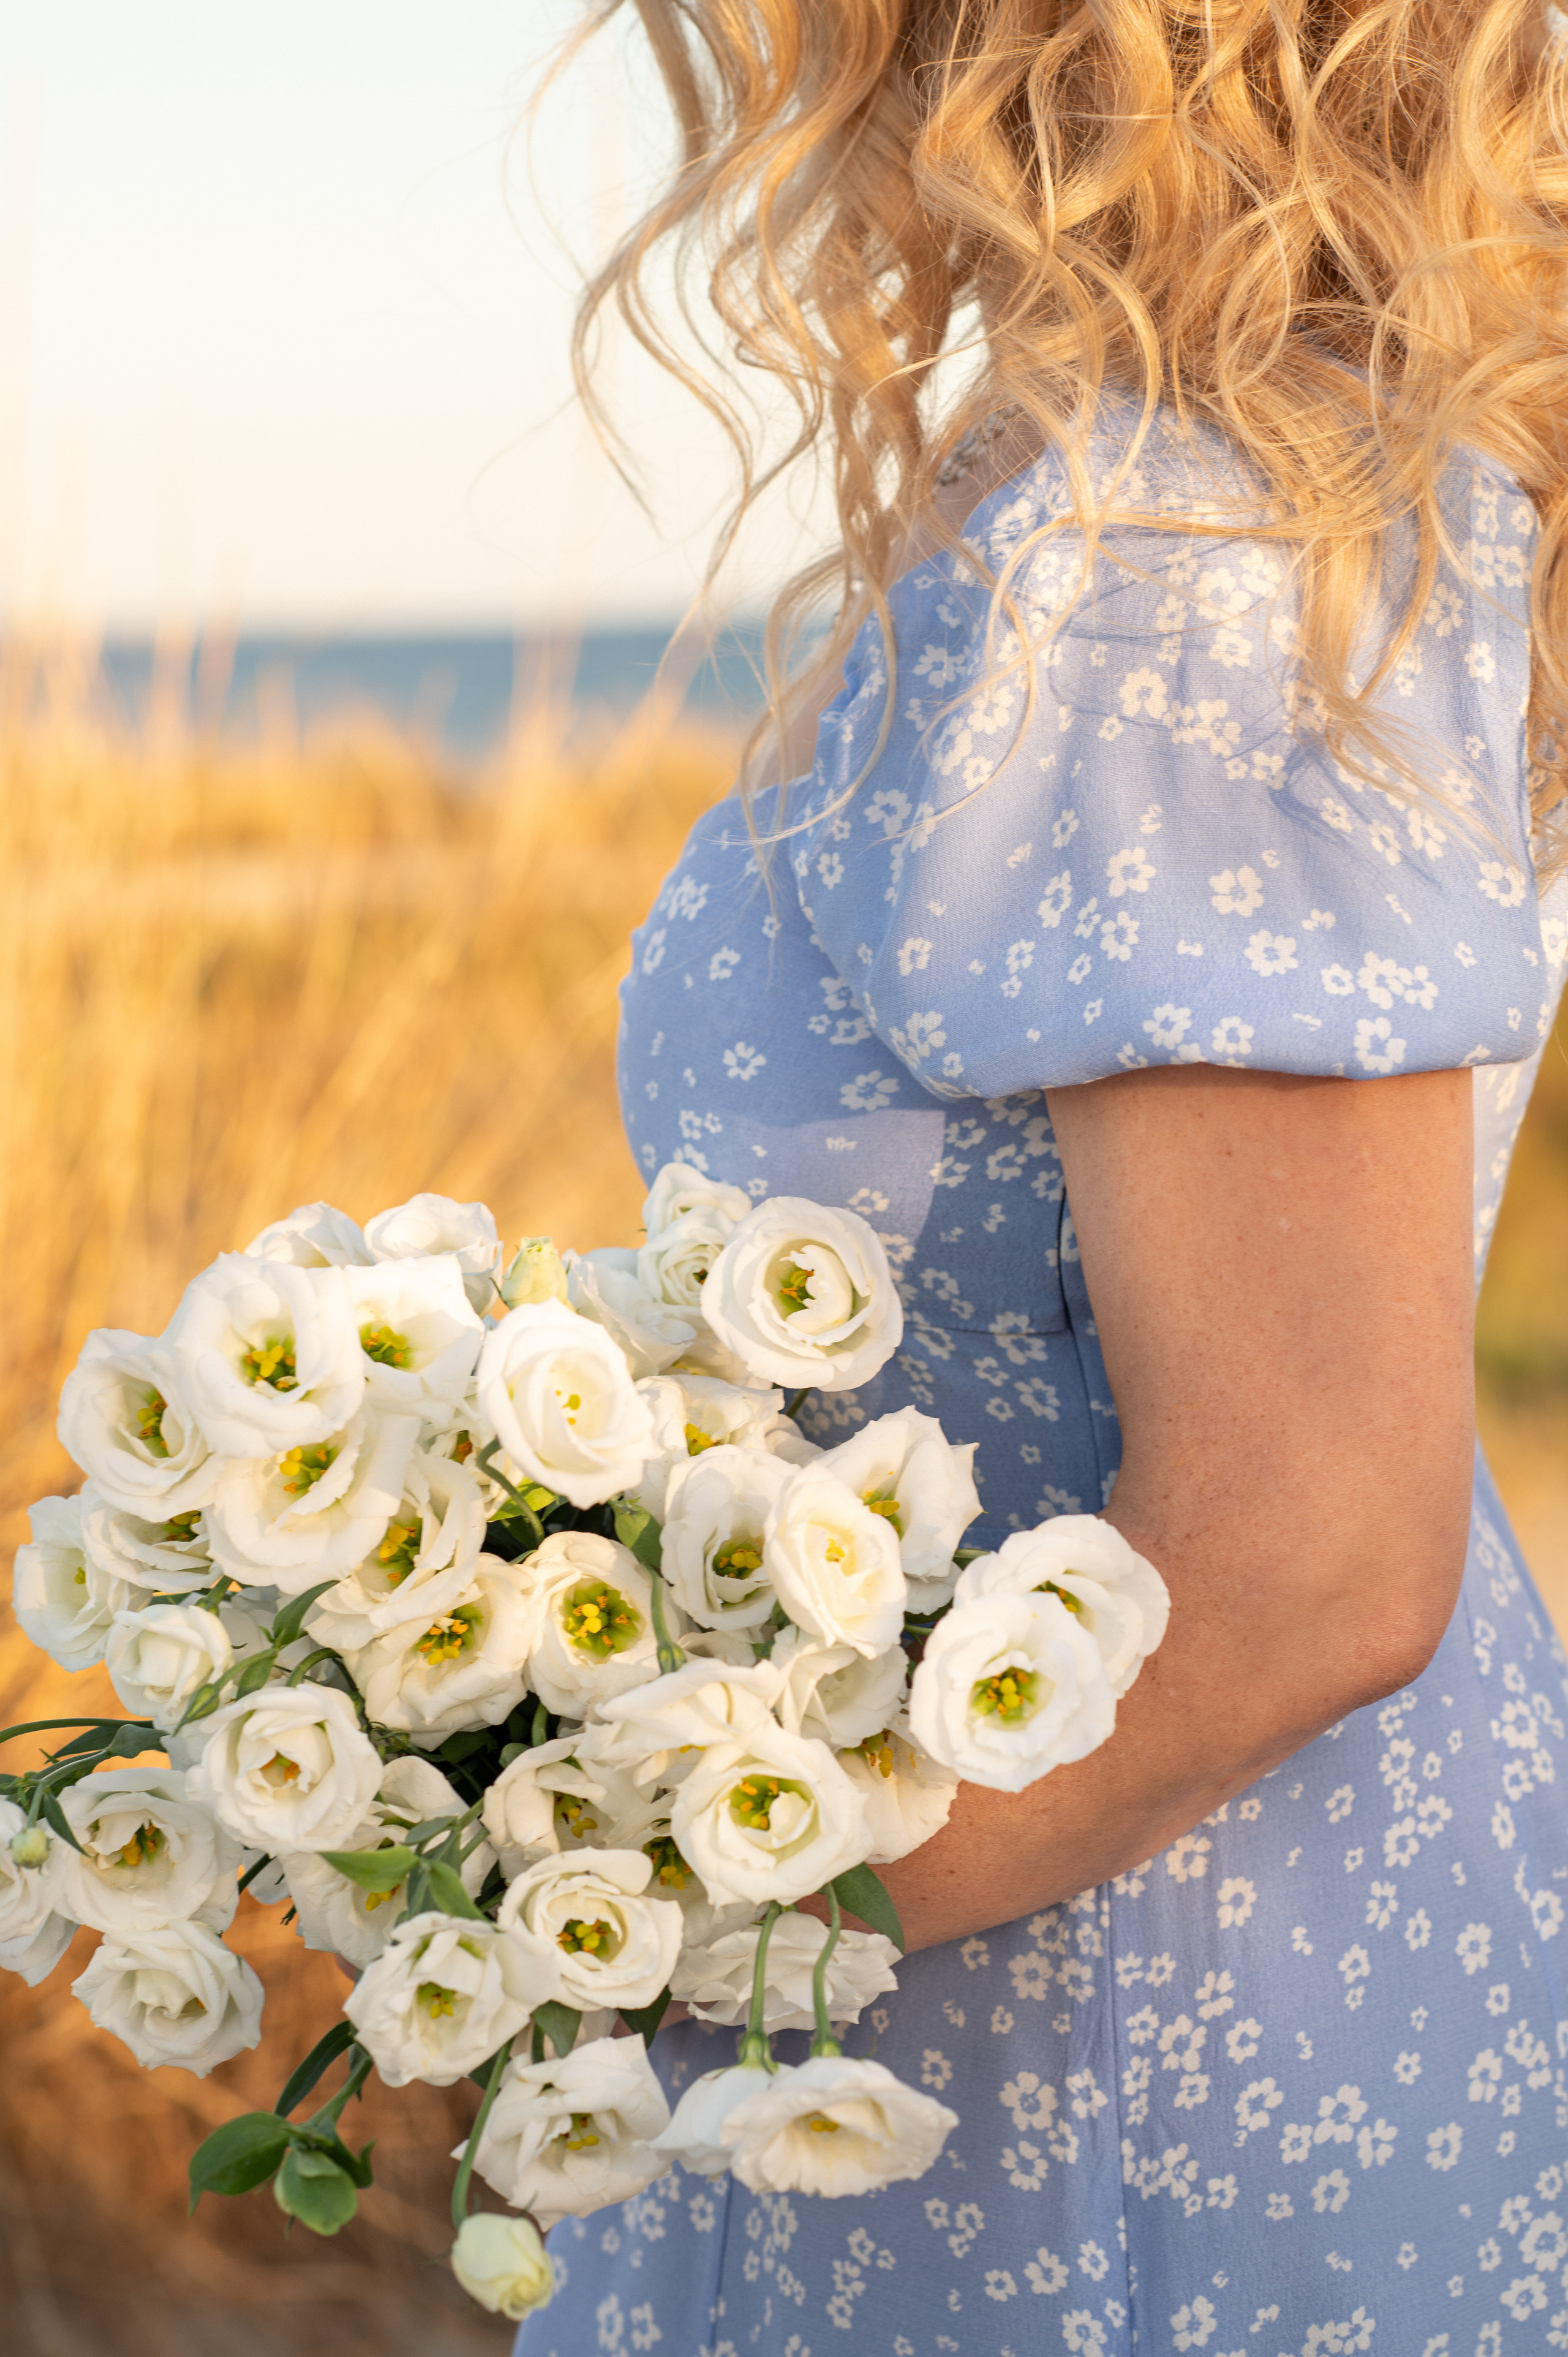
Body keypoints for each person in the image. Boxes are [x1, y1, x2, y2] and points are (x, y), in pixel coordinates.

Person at [520, 3, 1568, 2348]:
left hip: (1121, 2047)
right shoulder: (1172, 478)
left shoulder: (1186, 536)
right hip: (1114, 1969)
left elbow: (1309, 1563)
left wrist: (620, 1913)